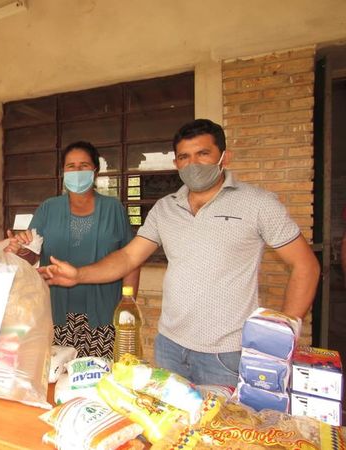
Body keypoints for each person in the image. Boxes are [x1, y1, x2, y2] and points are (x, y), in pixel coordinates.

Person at [39, 119, 320, 386]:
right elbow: (127, 258)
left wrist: (281, 336)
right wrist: (78, 275)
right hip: (169, 347)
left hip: (226, 354)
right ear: (176, 163)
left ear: (225, 157)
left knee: (217, 433)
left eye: (203, 154)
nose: (193, 163)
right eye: (184, 157)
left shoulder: (257, 204)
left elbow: (306, 266)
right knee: (170, 428)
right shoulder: (165, 208)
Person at [10, 141, 140, 359]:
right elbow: (33, 253)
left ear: (95, 171)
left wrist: (128, 308)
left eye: (83, 165)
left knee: (98, 379)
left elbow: (131, 260)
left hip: (104, 315)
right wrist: (20, 248)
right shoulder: (48, 208)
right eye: (71, 166)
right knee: (56, 376)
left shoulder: (113, 209)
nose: (77, 171)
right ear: (63, 171)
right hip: (55, 314)